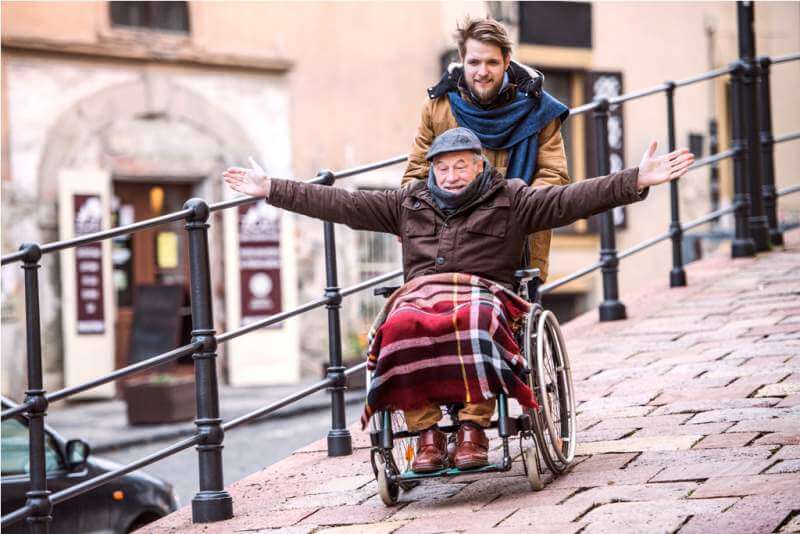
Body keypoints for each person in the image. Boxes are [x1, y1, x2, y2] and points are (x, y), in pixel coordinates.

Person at [223, 127, 694, 473]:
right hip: (421, 294)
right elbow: (341, 204)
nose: (451, 175)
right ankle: (426, 432)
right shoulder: (406, 203)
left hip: (483, 292)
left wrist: (636, 180)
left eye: (461, 165)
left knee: (474, 320)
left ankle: (472, 427)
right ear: (432, 171)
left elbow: (573, 199)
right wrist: (271, 190)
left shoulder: (513, 199)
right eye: (442, 167)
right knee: (397, 328)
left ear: (478, 165)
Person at [402, 16, 570, 283]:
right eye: (474, 62)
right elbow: (416, 174)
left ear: (506, 61)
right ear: (462, 60)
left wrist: (510, 212)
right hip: (447, 246)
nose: (482, 72)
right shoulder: (437, 108)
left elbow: (553, 175)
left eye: (492, 62)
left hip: (515, 244)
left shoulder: (540, 111)